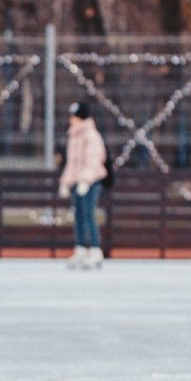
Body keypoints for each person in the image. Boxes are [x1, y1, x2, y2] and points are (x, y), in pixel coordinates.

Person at [58, 102, 107, 270]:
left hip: (90, 183)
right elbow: (72, 164)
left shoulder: (91, 135)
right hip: (77, 182)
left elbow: (93, 160)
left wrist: (86, 180)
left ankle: (95, 250)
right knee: (78, 215)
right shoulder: (73, 136)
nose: (71, 120)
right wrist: (66, 182)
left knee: (88, 214)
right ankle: (80, 249)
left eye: (74, 117)